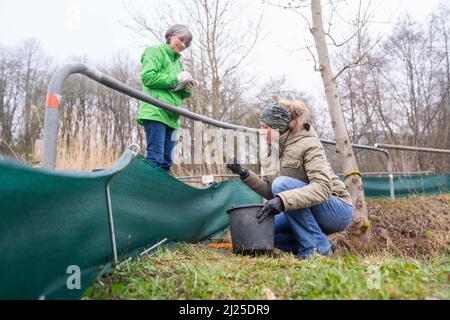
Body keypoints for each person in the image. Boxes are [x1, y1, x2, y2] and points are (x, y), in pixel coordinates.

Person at [227, 98, 353, 259]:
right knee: (265, 230)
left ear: (279, 127)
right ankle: (322, 244)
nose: (262, 132)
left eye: (266, 128)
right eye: (261, 127)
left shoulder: (308, 143)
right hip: (304, 207)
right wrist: (244, 173)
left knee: (282, 184)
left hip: (336, 209)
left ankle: (316, 250)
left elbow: (323, 187)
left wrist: (283, 200)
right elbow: (272, 191)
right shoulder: (270, 152)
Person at [137, 24, 195, 172]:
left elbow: (177, 90)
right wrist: (176, 78)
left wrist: (187, 89)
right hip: (156, 112)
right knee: (155, 159)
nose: (183, 45)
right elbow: (148, 77)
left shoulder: (179, 62)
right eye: (181, 39)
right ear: (170, 36)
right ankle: (146, 193)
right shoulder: (155, 51)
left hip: (172, 117)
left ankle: (159, 194)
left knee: (167, 163)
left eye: (186, 44)